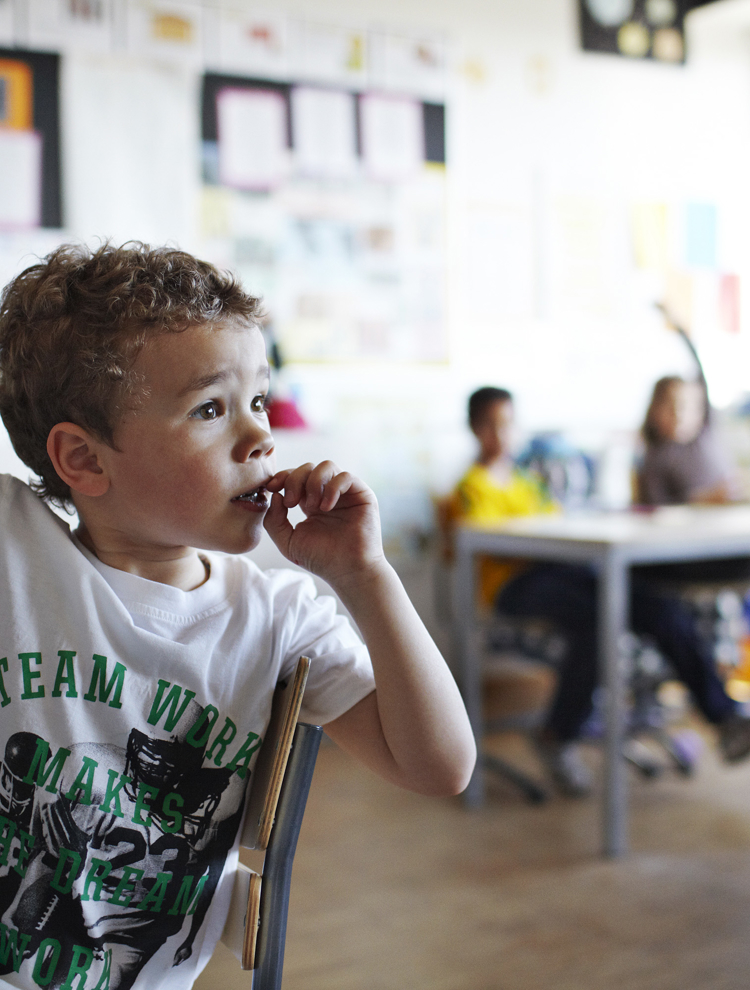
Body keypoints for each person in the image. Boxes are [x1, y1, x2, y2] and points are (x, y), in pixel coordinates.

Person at [0, 243, 475, 990]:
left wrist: (365, 576)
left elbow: (441, 765)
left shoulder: (277, 615)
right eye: (211, 408)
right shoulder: (14, 546)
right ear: (85, 462)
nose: (260, 437)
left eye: (258, 400)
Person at [450, 386, 750, 797]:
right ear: (474, 429)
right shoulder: (471, 485)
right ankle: (558, 735)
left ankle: (725, 717)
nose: (503, 434)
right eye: (492, 425)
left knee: (655, 605)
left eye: (509, 424)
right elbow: (488, 541)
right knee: (598, 620)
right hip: (513, 584)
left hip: (561, 571)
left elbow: (555, 521)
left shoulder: (524, 481)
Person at [637, 375, 736, 507]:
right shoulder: (656, 457)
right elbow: (657, 507)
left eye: (686, 406)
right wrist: (701, 500)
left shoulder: (706, 433)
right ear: (654, 410)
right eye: (669, 405)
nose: (678, 414)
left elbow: (702, 378)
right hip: (696, 522)